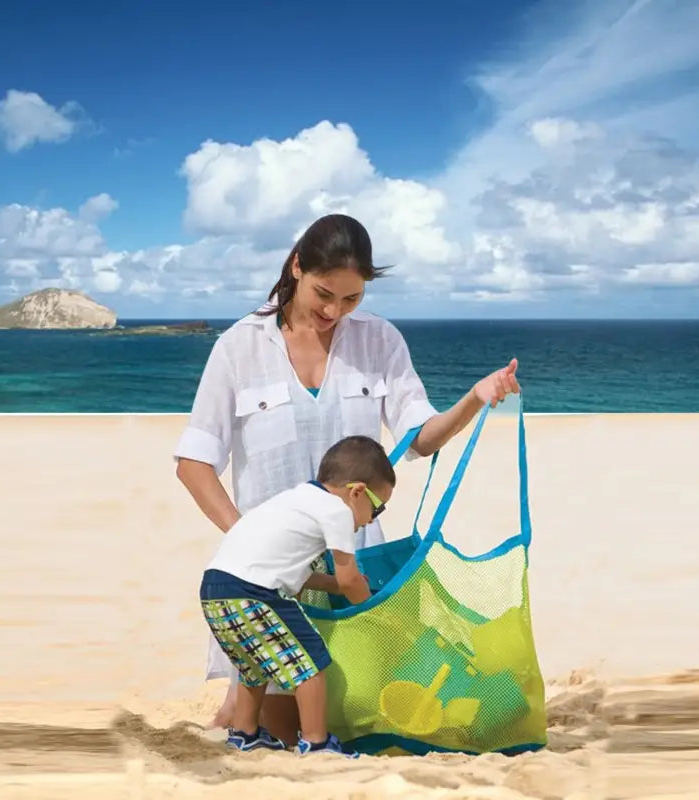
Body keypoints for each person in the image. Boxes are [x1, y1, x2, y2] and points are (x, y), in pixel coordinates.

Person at [174, 213, 520, 743]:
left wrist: (475, 397)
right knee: (287, 730)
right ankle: (239, 712)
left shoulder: (380, 341)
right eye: (323, 294)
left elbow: (419, 439)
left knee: (365, 723)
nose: (335, 312)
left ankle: (240, 712)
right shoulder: (237, 347)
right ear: (296, 266)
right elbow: (194, 462)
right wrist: (248, 540)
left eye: (351, 299)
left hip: (349, 570)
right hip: (274, 582)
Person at [199, 435, 395, 757]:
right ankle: (316, 742)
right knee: (311, 660)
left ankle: (245, 733)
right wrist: (372, 611)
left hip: (216, 589)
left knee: (254, 665)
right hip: (254, 593)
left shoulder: (298, 499)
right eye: (377, 508)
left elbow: (301, 580)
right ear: (357, 492)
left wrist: (336, 584)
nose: (372, 519)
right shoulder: (337, 511)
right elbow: (349, 580)